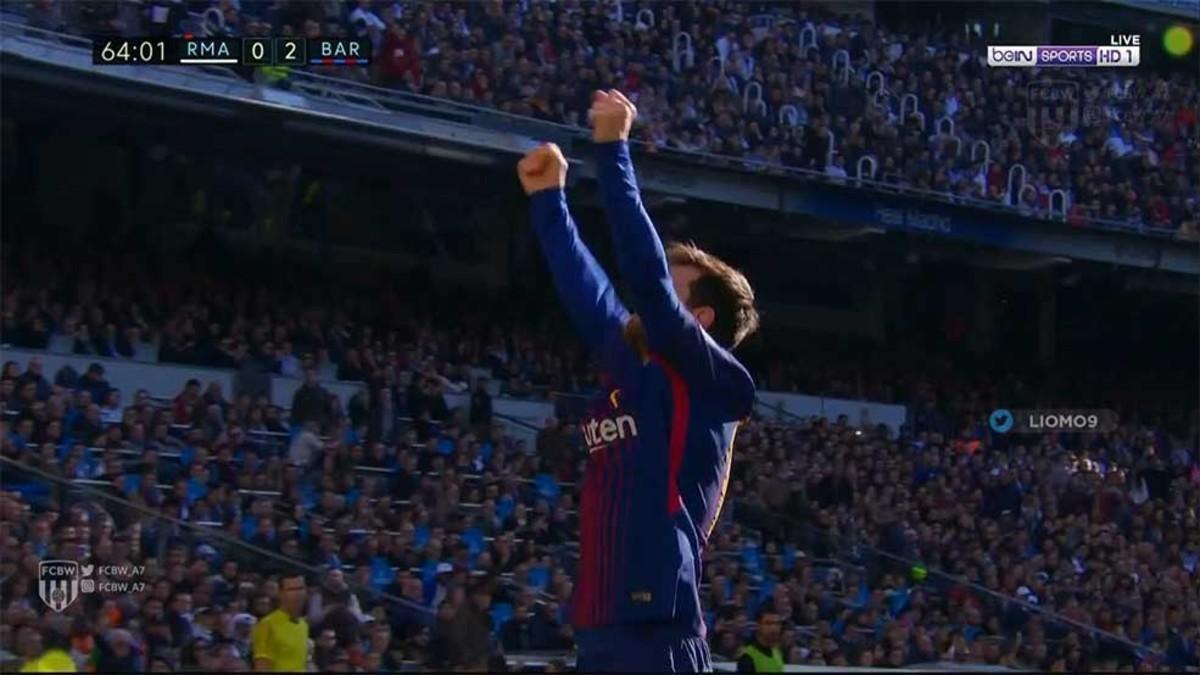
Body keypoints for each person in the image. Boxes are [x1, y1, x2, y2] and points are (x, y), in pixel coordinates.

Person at [515, 87, 759, 672]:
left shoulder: (718, 383)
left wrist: (613, 150)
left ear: (699, 321)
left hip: (660, 633)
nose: (646, 298)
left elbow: (644, 280)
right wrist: (549, 201)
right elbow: (588, 294)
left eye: (672, 290)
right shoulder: (633, 363)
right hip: (599, 624)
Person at [251, 573, 310, 672]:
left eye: (300, 588)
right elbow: (261, 665)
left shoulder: (304, 625)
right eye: (291, 590)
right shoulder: (267, 624)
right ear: (280, 593)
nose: (297, 594)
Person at [737, 605, 785, 672]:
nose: (773, 628)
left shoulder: (777, 653)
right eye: (768, 623)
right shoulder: (747, 657)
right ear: (759, 625)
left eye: (777, 624)